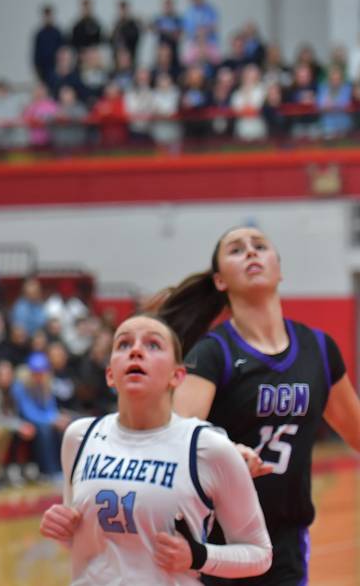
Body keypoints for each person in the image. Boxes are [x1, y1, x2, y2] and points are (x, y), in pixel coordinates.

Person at [158, 226, 360, 585]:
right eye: (236, 250)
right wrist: (224, 449)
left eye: (260, 246)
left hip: (284, 540)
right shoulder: (212, 353)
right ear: (220, 281)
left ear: (279, 270)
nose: (251, 252)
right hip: (215, 542)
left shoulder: (319, 349)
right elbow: (176, 442)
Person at [40, 315, 272, 584]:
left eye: (153, 345)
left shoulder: (208, 448)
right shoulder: (79, 436)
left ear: (177, 376)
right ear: (110, 374)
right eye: (124, 344)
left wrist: (197, 556)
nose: (136, 350)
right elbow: (85, 541)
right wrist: (64, 530)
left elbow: (260, 554)